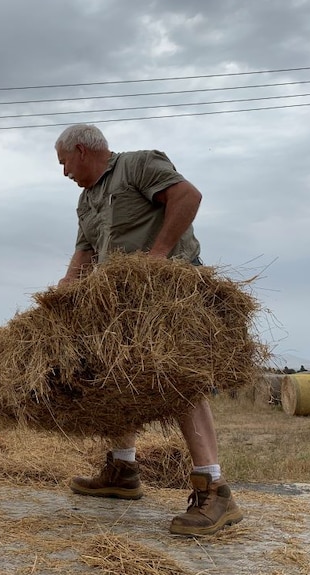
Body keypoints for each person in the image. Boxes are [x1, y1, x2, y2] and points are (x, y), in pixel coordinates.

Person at [54, 123, 243, 537]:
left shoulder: (138, 165)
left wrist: (157, 255)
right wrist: (64, 292)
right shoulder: (87, 199)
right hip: (118, 304)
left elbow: (187, 195)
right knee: (114, 380)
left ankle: (214, 489)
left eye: (63, 161)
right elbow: (86, 249)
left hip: (167, 294)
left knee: (180, 382)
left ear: (81, 150)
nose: (63, 172)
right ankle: (122, 470)